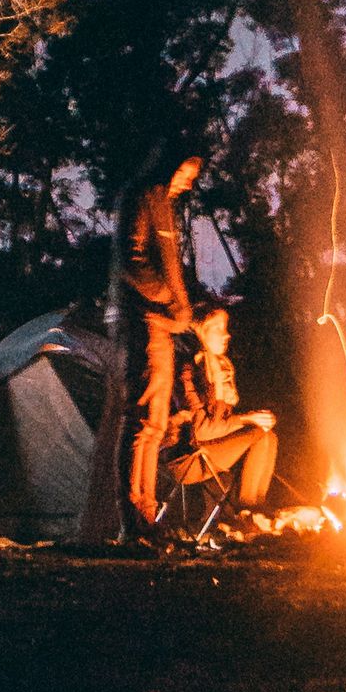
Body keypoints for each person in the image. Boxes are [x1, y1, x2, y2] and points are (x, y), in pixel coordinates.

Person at [119, 153, 203, 533]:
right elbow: (133, 259)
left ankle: (146, 514)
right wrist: (168, 297)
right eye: (186, 172)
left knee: (155, 423)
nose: (188, 182)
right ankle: (135, 517)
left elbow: (169, 263)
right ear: (171, 165)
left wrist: (183, 308)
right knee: (145, 425)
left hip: (166, 324)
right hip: (150, 322)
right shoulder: (145, 200)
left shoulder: (165, 207)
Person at [164, 307, 279, 510]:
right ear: (200, 332)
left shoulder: (218, 369)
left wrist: (254, 419)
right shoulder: (189, 371)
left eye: (225, 328)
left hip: (208, 451)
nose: (226, 335)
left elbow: (220, 426)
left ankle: (255, 508)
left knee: (268, 436)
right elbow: (201, 431)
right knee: (259, 435)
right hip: (187, 458)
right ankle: (246, 511)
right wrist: (246, 419)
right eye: (217, 328)